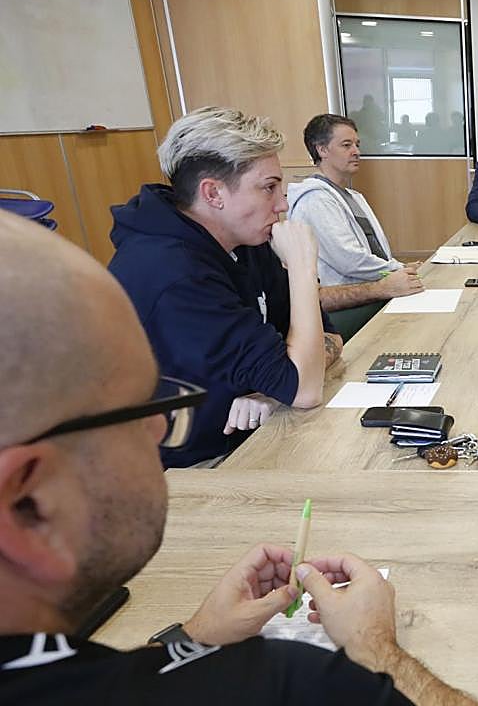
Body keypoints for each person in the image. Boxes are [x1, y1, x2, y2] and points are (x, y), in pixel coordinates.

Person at [0, 207, 478, 706]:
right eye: (135, 407)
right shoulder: (278, 703)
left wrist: (190, 641)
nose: (158, 426)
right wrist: (377, 650)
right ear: (28, 502)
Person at [109, 106, 342, 469]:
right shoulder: (175, 275)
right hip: (182, 472)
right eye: (269, 188)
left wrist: (271, 390)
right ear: (213, 193)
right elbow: (305, 389)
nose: (283, 204)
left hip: (250, 435)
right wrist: (301, 267)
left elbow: (328, 339)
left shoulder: (244, 239)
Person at [289, 114, 424, 340]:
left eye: (357, 144)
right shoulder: (315, 200)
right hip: (346, 303)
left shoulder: (352, 195)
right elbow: (349, 259)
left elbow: (376, 252)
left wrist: (397, 268)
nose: (356, 151)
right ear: (321, 149)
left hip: (372, 288)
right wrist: (396, 269)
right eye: (346, 145)